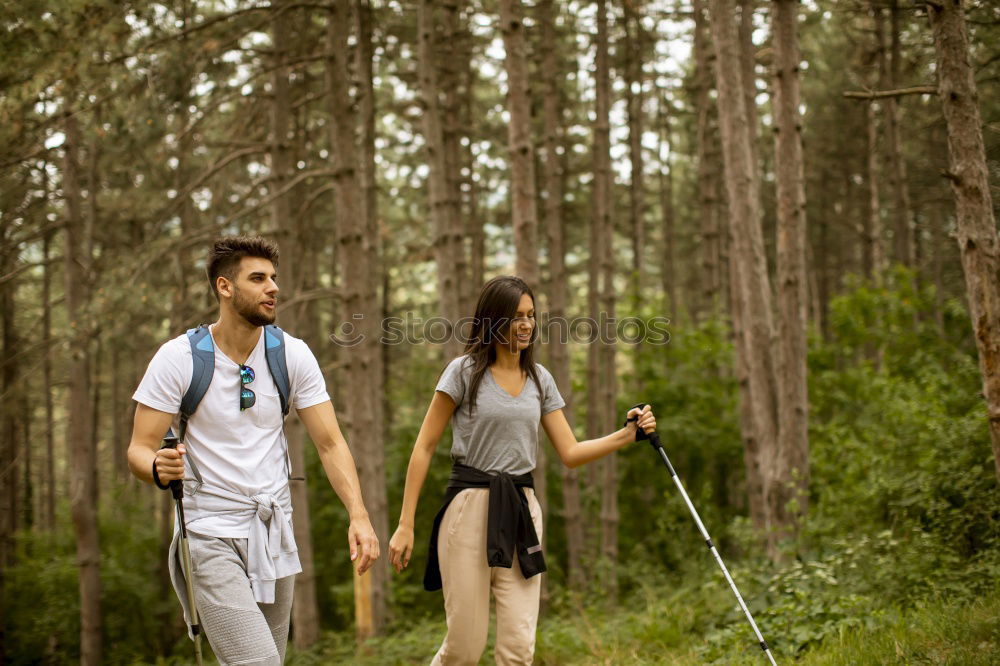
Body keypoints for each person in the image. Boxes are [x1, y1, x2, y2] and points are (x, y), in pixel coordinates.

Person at [127, 235, 379, 665]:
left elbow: (331, 442)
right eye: (258, 278)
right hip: (209, 532)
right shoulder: (179, 358)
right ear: (225, 287)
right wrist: (156, 466)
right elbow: (138, 449)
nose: (273, 288)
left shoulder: (291, 355)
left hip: (273, 530)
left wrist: (359, 515)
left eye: (274, 278)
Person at [388, 275, 656, 665]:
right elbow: (424, 446)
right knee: (464, 647)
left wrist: (628, 435)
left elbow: (571, 451)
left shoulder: (539, 379)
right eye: (515, 317)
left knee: (518, 648)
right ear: (493, 321)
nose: (526, 324)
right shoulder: (463, 372)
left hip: (522, 511)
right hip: (468, 510)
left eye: (531, 315)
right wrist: (406, 523)